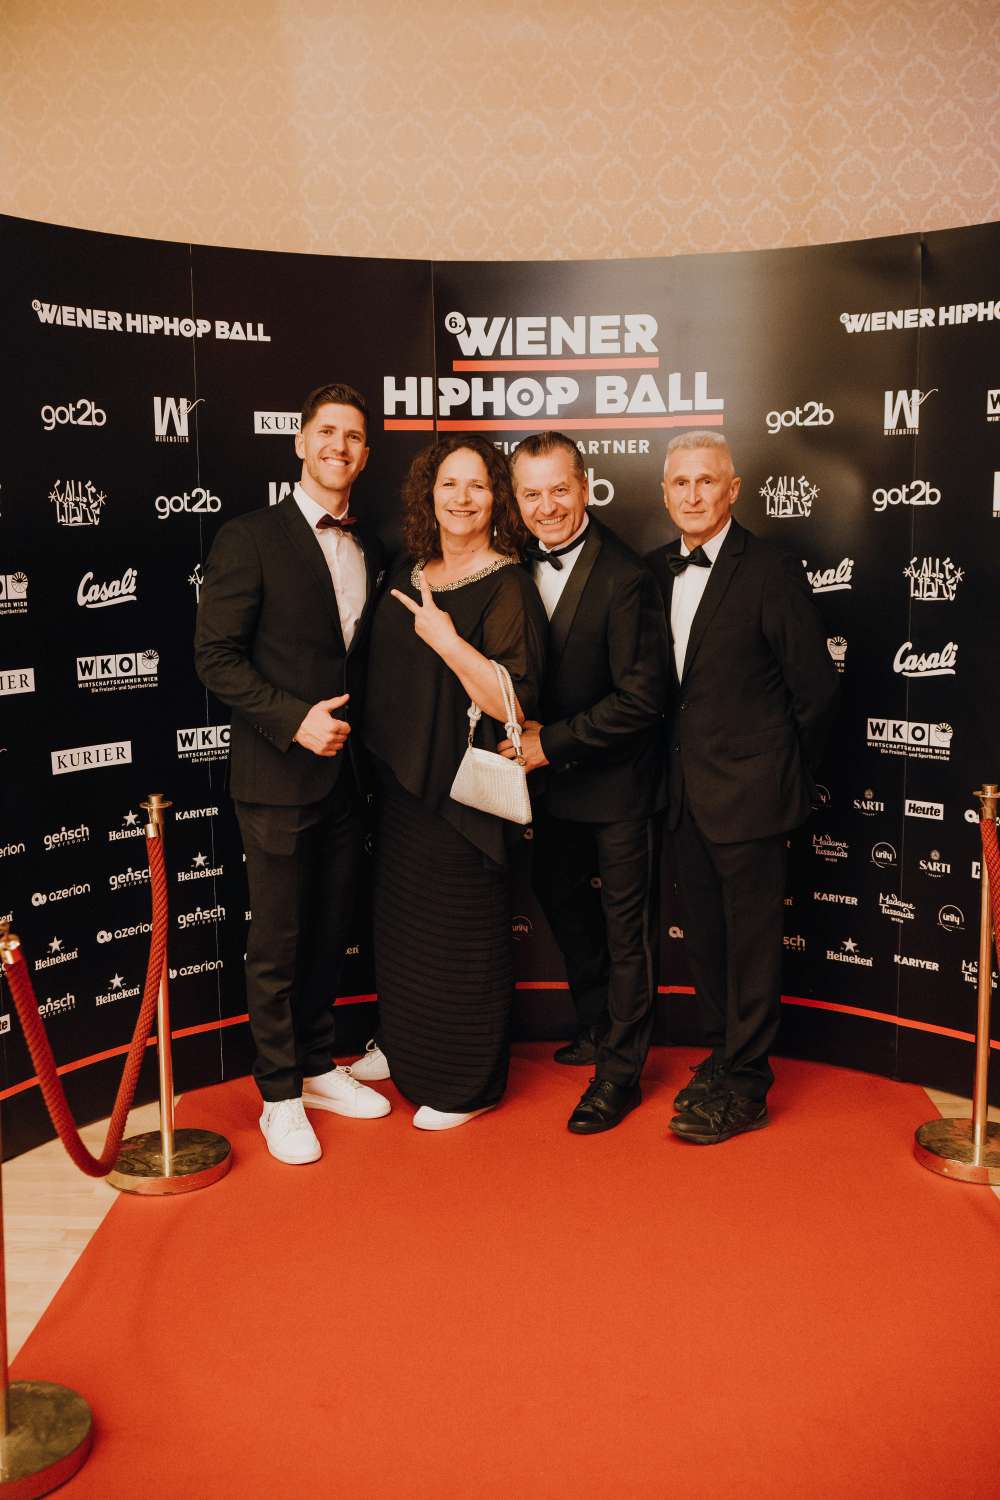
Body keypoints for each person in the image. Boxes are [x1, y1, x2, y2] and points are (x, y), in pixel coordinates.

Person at [194, 382, 391, 1165]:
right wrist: (292, 718)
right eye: (327, 432)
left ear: (365, 456)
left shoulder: (371, 546)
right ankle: (278, 1094)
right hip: (275, 777)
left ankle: (313, 1064)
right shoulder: (249, 538)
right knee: (277, 940)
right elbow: (214, 657)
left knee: (329, 933)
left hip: (348, 780)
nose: (340, 446)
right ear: (301, 442)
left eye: (354, 436)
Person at [647, 431, 839, 1144]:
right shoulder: (652, 571)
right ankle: (723, 1058)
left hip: (753, 796)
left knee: (752, 948)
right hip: (681, 795)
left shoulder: (769, 569)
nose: (693, 494)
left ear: (733, 490)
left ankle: (750, 1085)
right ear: (665, 493)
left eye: (707, 481)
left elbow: (815, 691)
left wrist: (785, 778)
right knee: (705, 941)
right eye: (681, 483)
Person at [359, 434, 547, 1130]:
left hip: (462, 793)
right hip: (400, 788)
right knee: (405, 930)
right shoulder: (408, 568)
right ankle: (403, 1045)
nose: (462, 498)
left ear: (496, 499)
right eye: (449, 484)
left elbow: (512, 702)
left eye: (477, 485)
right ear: (428, 494)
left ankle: (470, 1086)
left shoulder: (508, 584)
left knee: (460, 937)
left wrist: (446, 641)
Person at [502, 431, 667, 1135]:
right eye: (531, 494)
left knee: (627, 934)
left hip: (616, 785)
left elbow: (642, 699)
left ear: (585, 484)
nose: (547, 507)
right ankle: (598, 1025)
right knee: (567, 910)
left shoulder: (626, 574)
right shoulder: (510, 564)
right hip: (544, 791)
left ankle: (620, 1074)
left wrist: (552, 743)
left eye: (559, 490)